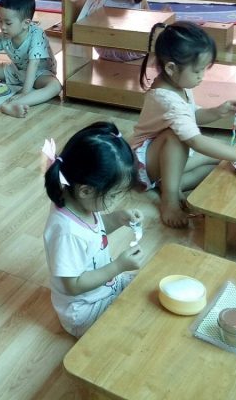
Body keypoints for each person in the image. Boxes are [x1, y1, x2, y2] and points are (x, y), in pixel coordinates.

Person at [131, 22, 236, 228]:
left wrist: (217, 112)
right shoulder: (166, 99)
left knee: (222, 165)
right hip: (143, 163)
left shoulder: (177, 84)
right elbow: (195, 141)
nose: (202, 77)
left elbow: (191, 116)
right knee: (180, 138)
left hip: (165, 159)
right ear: (171, 68)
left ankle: (171, 185)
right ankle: (169, 200)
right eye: (198, 71)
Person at [43, 121, 145, 337]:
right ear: (86, 190)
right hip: (85, 311)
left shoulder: (80, 203)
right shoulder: (67, 233)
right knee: (138, 323)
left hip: (105, 288)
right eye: (114, 195)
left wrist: (118, 218)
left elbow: (94, 233)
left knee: (148, 288)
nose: (116, 200)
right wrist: (118, 266)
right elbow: (73, 285)